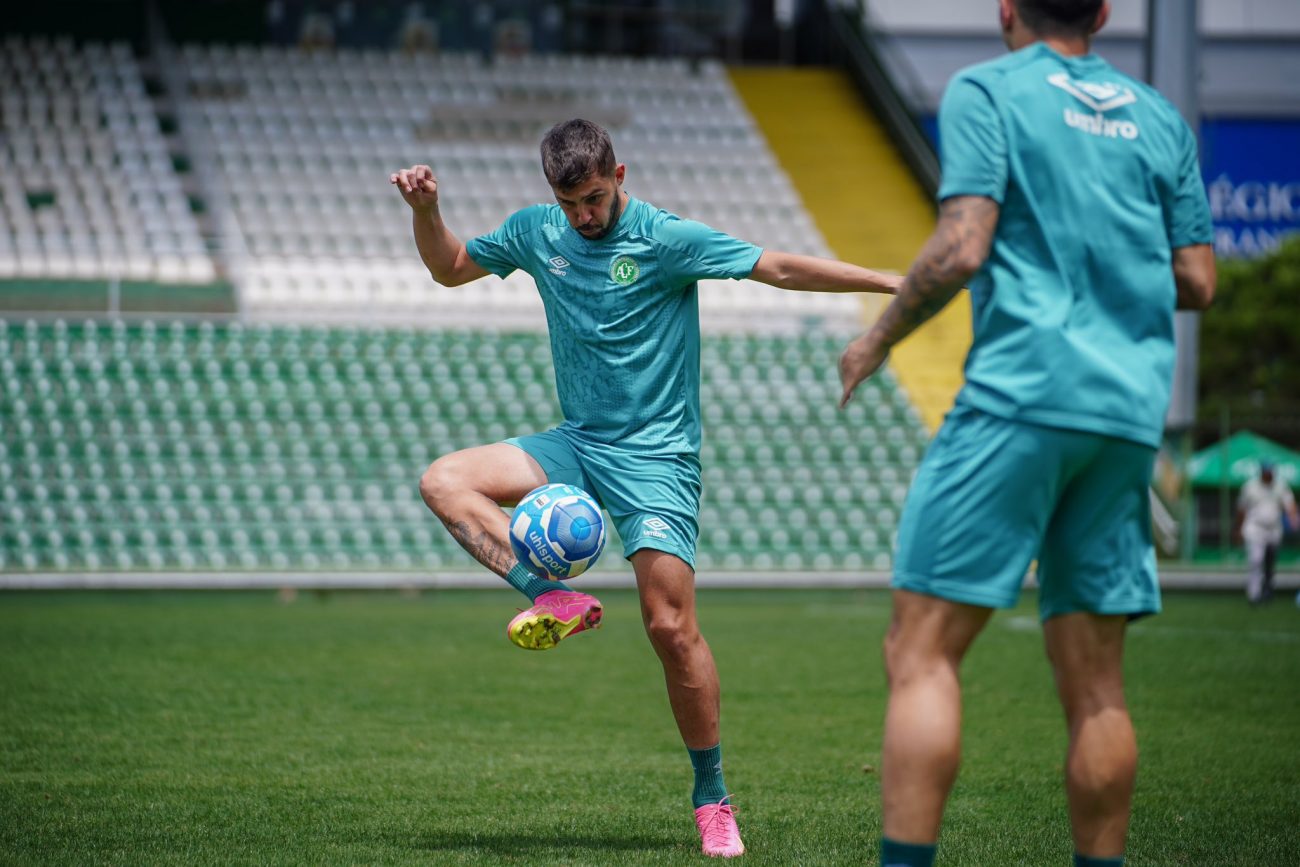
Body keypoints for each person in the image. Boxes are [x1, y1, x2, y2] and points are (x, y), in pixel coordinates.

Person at [391, 118, 900, 858]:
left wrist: (893, 282)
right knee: (444, 480)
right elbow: (450, 268)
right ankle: (551, 593)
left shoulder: (666, 239)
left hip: (657, 457)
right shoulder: (540, 233)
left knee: (670, 627)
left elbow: (777, 267)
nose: (583, 217)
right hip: (576, 442)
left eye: (594, 199)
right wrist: (426, 212)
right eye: (570, 205)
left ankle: (712, 796)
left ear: (620, 175)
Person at [837, 2, 1216, 866]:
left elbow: (963, 245)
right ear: (1106, 11)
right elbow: (1197, 278)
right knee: (1096, 684)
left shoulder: (989, 90)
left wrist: (877, 336)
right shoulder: (1158, 116)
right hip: (1123, 416)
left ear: (1006, 7)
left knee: (923, 651)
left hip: (1021, 397)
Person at [1235, 462, 1298, 605]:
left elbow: (1289, 504)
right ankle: (1254, 594)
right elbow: (1242, 509)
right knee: (1255, 560)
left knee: (1270, 560)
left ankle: (1268, 588)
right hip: (1254, 528)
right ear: (1262, 472)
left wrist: (1293, 519)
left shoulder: (1280, 486)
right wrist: (1238, 528)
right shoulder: (1250, 487)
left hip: (1273, 528)